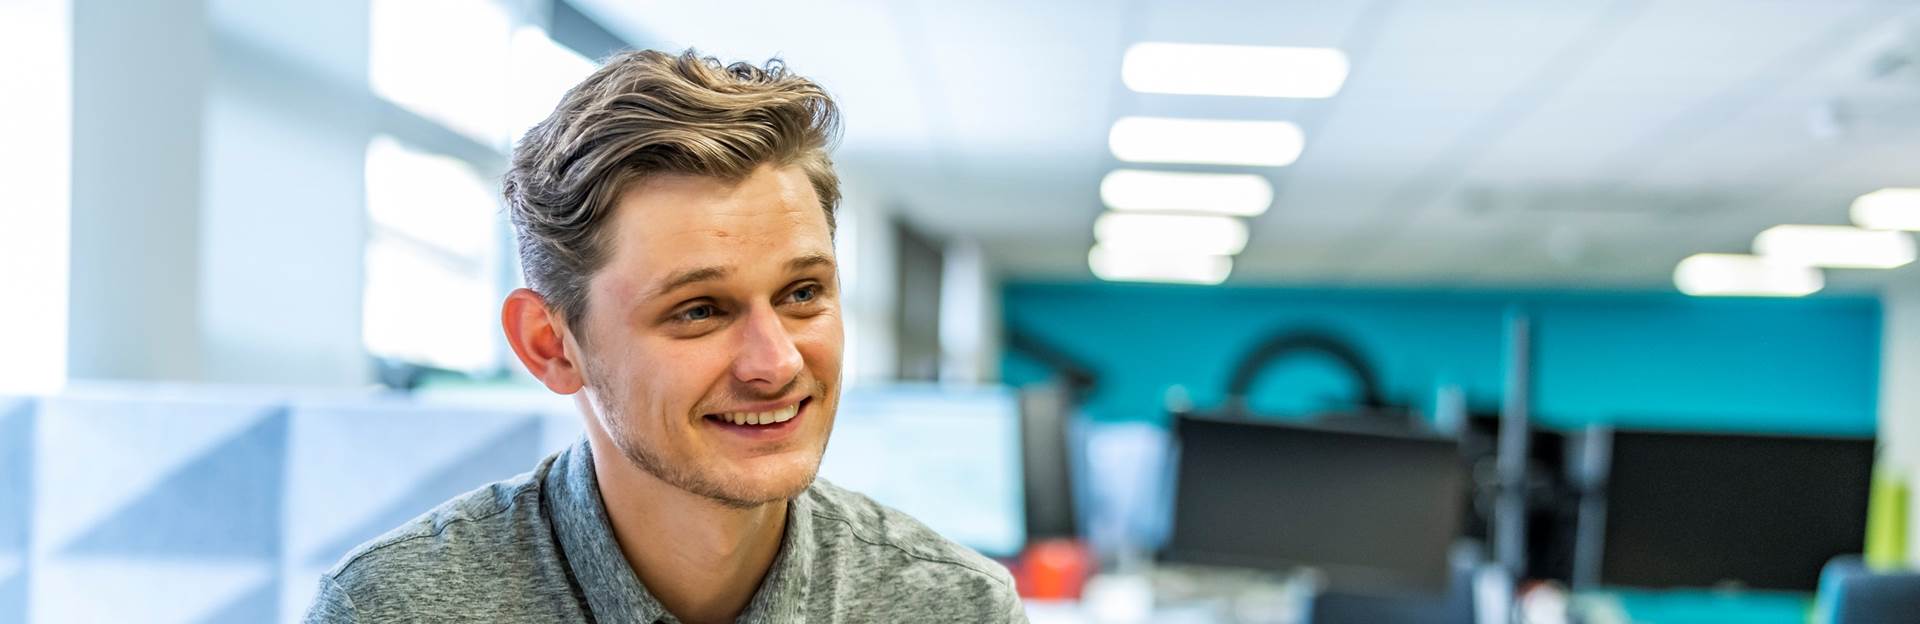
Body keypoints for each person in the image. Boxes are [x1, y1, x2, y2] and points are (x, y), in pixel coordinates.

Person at [304, 49, 1026, 623]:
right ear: (551, 346)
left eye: (802, 293)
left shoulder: (952, 607)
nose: (775, 362)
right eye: (699, 310)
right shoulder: (392, 609)